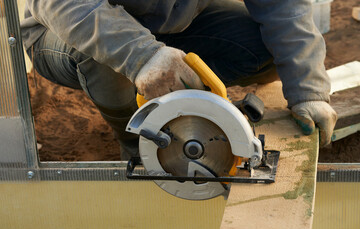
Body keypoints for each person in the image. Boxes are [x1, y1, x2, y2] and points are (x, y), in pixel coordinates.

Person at [21, 0, 337, 160]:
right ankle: (140, 147)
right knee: (105, 58)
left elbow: (283, 7)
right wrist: (143, 56)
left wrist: (309, 91)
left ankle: (180, 100)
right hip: (64, 32)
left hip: (173, 28)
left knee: (265, 48)